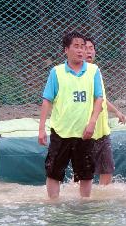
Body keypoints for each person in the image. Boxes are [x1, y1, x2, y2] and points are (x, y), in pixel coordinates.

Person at [38, 31, 104, 200]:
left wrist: (92, 122)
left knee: (86, 173)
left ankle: (84, 206)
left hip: (85, 132)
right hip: (61, 131)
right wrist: (41, 129)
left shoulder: (93, 71)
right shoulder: (57, 72)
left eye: (83, 46)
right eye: (76, 46)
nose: (81, 50)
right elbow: (47, 100)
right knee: (54, 172)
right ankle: (53, 205)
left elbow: (99, 98)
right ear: (66, 50)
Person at [83, 36, 126, 186]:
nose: (89, 51)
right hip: (85, 130)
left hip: (102, 131)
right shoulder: (78, 73)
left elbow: (101, 98)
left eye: (91, 48)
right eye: (85, 48)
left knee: (107, 170)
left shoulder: (96, 71)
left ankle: (102, 202)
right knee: (83, 173)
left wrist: (117, 112)